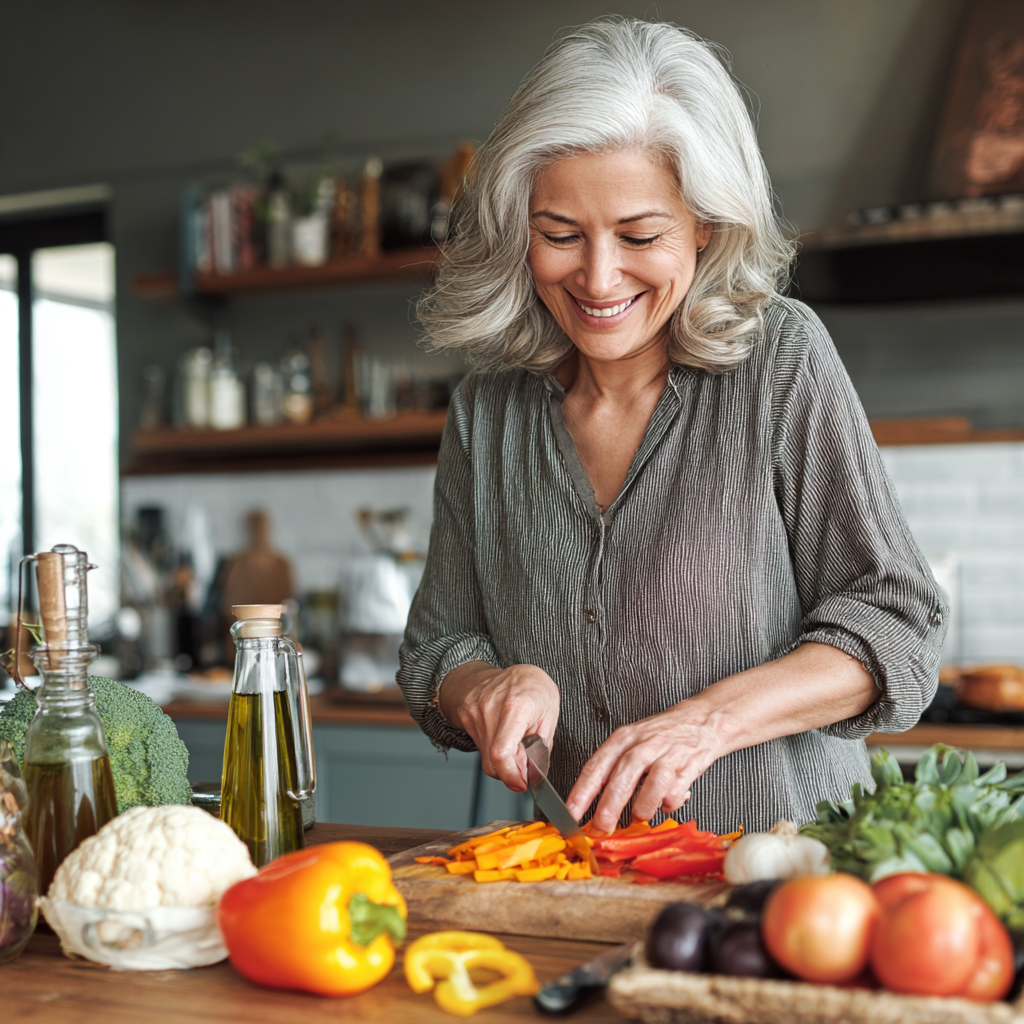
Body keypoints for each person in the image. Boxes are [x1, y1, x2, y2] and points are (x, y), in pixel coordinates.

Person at [396, 18, 947, 835]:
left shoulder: (781, 360)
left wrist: (709, 722)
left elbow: (895, 623)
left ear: (706, 227)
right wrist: (487, 687)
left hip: (783, 884)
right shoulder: (489, 409)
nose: (598, 276)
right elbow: (439, 647)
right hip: (582, 887)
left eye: (640, 235)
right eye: (559, 235)